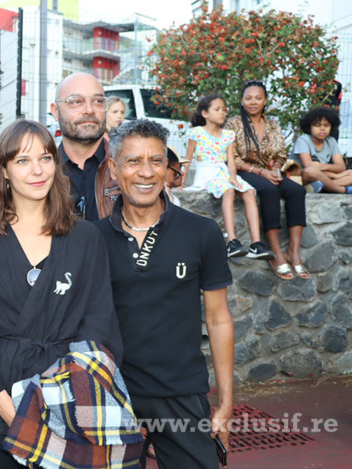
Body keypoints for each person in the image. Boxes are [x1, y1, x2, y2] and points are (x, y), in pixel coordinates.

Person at [0, 119, 124, 468]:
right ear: (3, 171)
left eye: (45, 158)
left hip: (69, 401)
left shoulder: (85, 237)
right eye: (22, 160)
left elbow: (99, 324)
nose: (37, 170)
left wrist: (64, 398)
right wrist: (8, 407)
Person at [95, 119, 234, 469]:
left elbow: (218, 319)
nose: (145, 172)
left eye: (156, 161)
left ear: (168, 169)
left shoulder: (202, 232)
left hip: (181, 391)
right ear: (113, 168)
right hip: (110, 393)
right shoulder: (90, 238)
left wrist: (227, 401)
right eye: (133, 161)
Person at [225, 80, 308, 280]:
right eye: (248, 98)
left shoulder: (272, 125)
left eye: (258, 98)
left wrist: (277, 170)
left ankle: (294, 252)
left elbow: (280, 153)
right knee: (270, 191)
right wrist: (260, 172)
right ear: (242, 101)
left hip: (269, 171)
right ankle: (276, 252)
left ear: (265, 101)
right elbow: (232, 157)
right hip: (244, 171)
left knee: (297, 191)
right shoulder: (234, 123)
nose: (253, 102)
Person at [186, 94, 273, 260]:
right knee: (228, 190)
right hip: (207, 175)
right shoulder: (196, 133)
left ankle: (256, 244)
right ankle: (231, 241)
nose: (222, 113)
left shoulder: (228, 135)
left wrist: (233, 177)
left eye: (223, 110)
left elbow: (231, 161)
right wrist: (181, 181)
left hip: (223, 173)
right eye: (217, 109)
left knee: (248, 191)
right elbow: (188, 159)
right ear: (205, 113)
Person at [51, 72, 113, 221]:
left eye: (98, 101)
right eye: (76, 101)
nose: (89, 110)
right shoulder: (42, 173)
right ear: (55, 111)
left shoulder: (127, 167)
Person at [293, 107, 352, 194]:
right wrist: (336, 175)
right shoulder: (303, 140)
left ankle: (319, 187)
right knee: (310, 171)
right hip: (302, 178)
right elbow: (309, 167)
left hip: (322, 178)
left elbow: (341, 167)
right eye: (317, 125)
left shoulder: (331, 141)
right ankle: (341, 190)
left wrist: (322, 166)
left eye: (326, 125)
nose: (322, 129)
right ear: (309, 127)